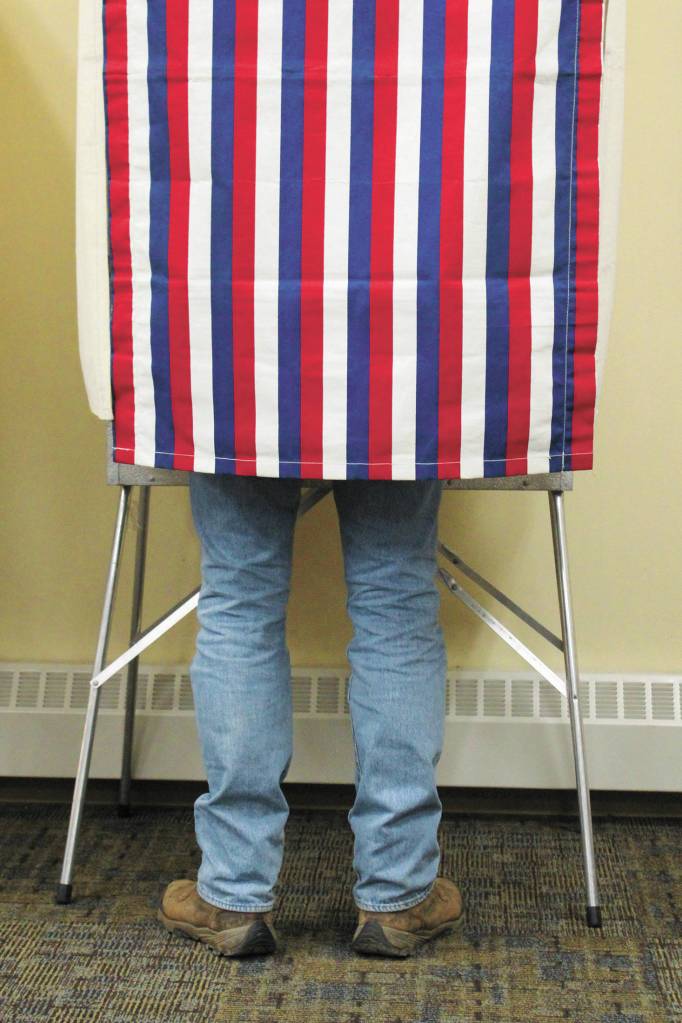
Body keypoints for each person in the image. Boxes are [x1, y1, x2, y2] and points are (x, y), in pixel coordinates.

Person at [157, 472, 465, 958]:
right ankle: (398, 893)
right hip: (391, 399)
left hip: (244, 396)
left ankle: (234, 894)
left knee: (241, 599)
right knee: (395, 601)